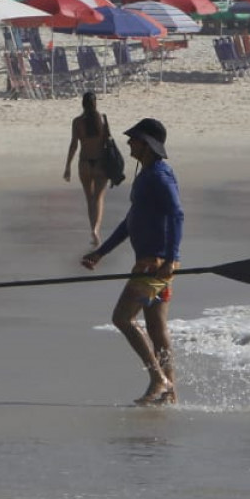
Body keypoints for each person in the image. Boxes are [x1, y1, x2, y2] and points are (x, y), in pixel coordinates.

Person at [82, 118, 184, 406]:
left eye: (134, 139)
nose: (128, 143)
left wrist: (171, 258)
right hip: (153, 264)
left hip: (153, 266)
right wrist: (101, 252)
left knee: (122, 318)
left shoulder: (159, 176)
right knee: (156, 329)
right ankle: (170, 392)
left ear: (147, 144)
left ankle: (158, 380)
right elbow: (131, 221)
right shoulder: (148, 173)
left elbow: (177, 215)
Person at [62, 92, 114, 246]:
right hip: (100, 163)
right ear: (95, 103)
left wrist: (67, 167)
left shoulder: (77, 122)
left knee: (89, 199)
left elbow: (73, 145)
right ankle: (96, 229)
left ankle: (93, 231)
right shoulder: (102, 120)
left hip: (84, 163)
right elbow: (108, 141)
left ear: (82, 104)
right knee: (98, 198)